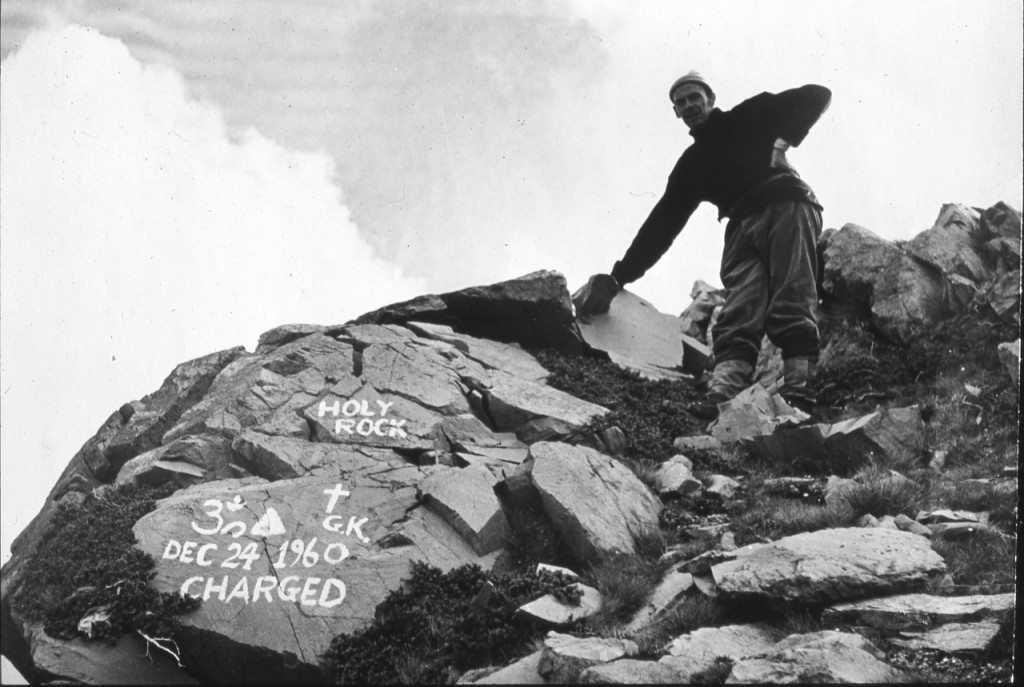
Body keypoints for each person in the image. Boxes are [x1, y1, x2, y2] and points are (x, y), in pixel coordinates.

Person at [574, 71, 831, 412]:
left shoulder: (749, 114)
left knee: (792, 291)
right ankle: (722, 394)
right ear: (676, 113)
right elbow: (662, 224)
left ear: (710, 99)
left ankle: (799, 384)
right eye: (681, 102)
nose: (689, 105)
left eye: (694, 97)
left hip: (785, 201)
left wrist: (781, 142)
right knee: (739, 308)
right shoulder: (691, 165)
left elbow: (817, 94)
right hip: (740, 224)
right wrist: (620, 276)